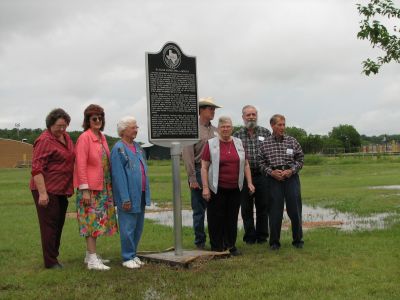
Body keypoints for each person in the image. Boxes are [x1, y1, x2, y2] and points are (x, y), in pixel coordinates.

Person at [201, 116, 255, 256]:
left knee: (232, 218)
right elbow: (204, 167)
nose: (225, 129)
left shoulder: (239, 143)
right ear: (218, 129)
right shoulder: (211, 143)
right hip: (216, 188)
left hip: (235, 188)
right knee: (216, 218)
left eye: (228, 126)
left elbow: (246, 164)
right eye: (222, 127)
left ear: (232, 128)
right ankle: (217, 247)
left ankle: (230, 245)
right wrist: (205, 187)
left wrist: (249, 183)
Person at [74, 104, 118, 270]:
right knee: (91, 222)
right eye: (94, 118)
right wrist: (84, 189)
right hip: (90, 189)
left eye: (100, 118)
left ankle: (89, 255)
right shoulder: (84, 138)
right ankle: (93, 260)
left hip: (103, 187)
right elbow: (81, 164)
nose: (98, 121)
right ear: (87, 120)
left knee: (98, 221)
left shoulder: (102, 137)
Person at [30, 108, 74, 269]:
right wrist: (42, 193)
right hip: (46, 190)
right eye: (59, 126)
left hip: (61, 189)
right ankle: (50, 262)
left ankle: (54, 256)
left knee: (58, 224)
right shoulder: (44, 140)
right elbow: (36, 169)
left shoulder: (66, 137)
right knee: (49, 225)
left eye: (65, 125)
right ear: (50, 124)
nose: (62, 129)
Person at [258, 114, 304, 250]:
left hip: (291, 178)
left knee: (295, 210)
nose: (282, 127)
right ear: (272, 126)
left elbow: (300, 159)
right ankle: (274, 243)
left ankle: (298, 240)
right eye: (279, 125)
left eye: (284, 124)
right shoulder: (265, 143)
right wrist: (271, 172)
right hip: (273, 180)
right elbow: (260, 163)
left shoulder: (292, 141)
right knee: (274, 212)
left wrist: (291, 170)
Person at [110, 116, 151, 269]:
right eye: (133, 127)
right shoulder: (118, 149)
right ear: (124, 130)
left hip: (140, 193)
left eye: (136, 127)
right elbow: (118, 176)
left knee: (138, 226)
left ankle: (133, 254)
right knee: (128, 227)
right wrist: (124, 198)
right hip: (127, 196)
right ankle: (127, 257)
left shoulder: (138, 147)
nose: (136, 129)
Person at [182, 97, 221, 249]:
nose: (213, 112)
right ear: (201, 110)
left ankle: (216, 241)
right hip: (198, 171)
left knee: (215, 210)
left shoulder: (216, 130)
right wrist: (192, 178)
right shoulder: (191, 129)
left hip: (215, 172)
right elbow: (187, 155)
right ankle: (200, 243)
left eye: (214, 109)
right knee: (199, 211)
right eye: (210, 109)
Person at [233, 105, 271, 244]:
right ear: (243, 117)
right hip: (243, 176)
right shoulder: (237, 135)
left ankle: (262, 236)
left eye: (253, 114)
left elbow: (270, 154)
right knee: (246, 208)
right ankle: (249, 237)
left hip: (262, 176)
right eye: (248, 115)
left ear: (257, 116)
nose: (251, 117)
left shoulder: (266, 133)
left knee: (263, 207)